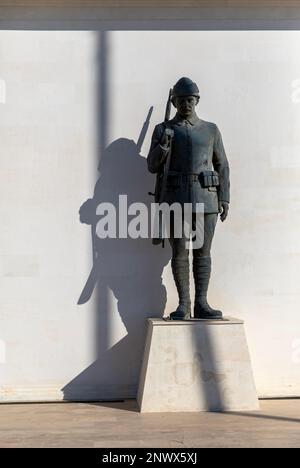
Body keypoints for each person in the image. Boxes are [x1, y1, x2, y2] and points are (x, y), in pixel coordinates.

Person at [147, 77, 230, 320]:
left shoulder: (210, 129)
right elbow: (152, 166)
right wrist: (163, 145)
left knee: (203, 252)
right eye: (181, 100)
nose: (186, 104)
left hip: (207, 199)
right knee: (180, 252)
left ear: (197, 100)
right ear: (174, 102)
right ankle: (184, 304)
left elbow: (222, 164)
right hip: (175, 198)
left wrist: (224, 198)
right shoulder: (163, 130)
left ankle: (202, 303)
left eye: (190, 100)